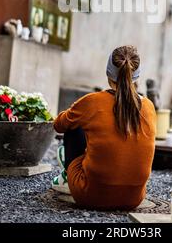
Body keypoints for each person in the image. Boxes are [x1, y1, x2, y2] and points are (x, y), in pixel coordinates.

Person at [52, 45, 156, 210]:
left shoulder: (92, 101)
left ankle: (68, 175)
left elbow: (59, 125)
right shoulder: (149, 107)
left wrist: (75, 111)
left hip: (91, 196)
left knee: (74, 127)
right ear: (137, 77)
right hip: (133, 199)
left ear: (108, 73)